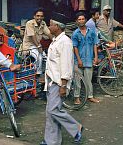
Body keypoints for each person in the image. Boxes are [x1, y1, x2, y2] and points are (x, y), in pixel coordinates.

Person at [41, 13, 83, 145]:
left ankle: (76, 128)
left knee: (53, 111)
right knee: (50, 113)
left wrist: (63, 85)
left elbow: (66, 65)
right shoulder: (56, 40)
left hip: (59, 83)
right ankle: (51, 141)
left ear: (58, 27)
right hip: (51, 81)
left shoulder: (65, 42)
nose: (49, 26)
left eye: (51, 24)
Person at [72, 12, 100, 104]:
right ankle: (77, 97)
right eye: (79, 19)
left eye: (83, 19)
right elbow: (75, 47)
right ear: (76, 21)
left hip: (89, 59)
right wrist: (79, 60)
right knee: (77, 80)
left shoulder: (91, 32)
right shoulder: (75, 33)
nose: (81, 21)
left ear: (85, 20)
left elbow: (95, 45)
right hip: (78, 60)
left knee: (89, 80)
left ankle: (90, 96)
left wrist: (96, 57)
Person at [22, 8, 52, 76]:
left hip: (37, 46)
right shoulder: (29, 23)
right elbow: (32, 36)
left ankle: (47, 74)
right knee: (39, 57)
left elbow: (49, 33)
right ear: (34, 16)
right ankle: (38, 74)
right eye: (38, 16)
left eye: (41, 16)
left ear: (43, 17)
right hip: (29, 46)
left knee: (47, 58)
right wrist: (39, 46)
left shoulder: (43, 23)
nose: (39, 17)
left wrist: (56, 40)